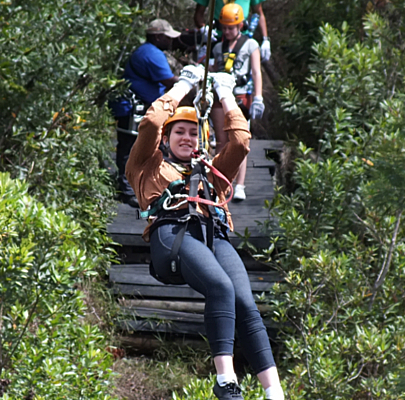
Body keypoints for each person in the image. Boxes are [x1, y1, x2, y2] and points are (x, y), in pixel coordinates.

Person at [125, 64, 284, 400]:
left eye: (193, 133)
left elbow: (240, 142)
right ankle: (226, 381)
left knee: (245, 302)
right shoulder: (147, 165)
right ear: (166, 140)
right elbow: (153, 122)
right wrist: (184, 86)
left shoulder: (209, 170)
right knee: (221, 286)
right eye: (179, 132)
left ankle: (274, 391)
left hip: (213, 234)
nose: (187, 138)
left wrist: (225, 94)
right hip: (172, 232)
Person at [114, 19, 180, 208]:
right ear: (158, 37)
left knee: (150, 147)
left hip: (141, 107)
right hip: (131, 108)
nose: (170, 41)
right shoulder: (151, 53)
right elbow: (169, 82)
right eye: (168, 38)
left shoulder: (149, 51)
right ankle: (127, 191)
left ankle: (144, 185)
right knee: (128, 147)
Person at [209, 3, 263, 201]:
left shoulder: (250, 45)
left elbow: (256, 72)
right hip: (220, 96)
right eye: (224, 27)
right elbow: (214, 69)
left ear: (240, 25)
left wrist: (258, 96)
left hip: (240, 96)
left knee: (239, 140)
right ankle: (219, 181)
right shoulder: (217, 47)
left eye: (231, 27)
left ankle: (240, 184)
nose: (227, 31)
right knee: (221, 141)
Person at [193, 0, 271, 62]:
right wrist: (203, 29)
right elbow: (199, 13)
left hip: (242, 38)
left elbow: (259, 13)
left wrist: (265, 39)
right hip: (216, 37)